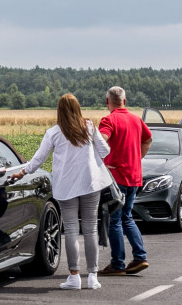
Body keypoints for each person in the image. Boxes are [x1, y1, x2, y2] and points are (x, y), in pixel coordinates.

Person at [10, 93, 112, 290]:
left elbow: (38, 160)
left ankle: (74, 277)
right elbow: (105, 150)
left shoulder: (54, 132)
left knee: (72, 229)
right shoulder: (89, 127)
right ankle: (92, 276)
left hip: (66, 185)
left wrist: (22, 172)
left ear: (59, 111)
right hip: (90, 183)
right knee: (90, 228)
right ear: (77, 108)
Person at [98, 86, 152, 275]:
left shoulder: (108, 120)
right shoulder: (136, 120)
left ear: (107, 102)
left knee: (115, 220)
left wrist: (102, 163)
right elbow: (147, 139)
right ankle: (140, 256)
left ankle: (118, 264)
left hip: (117, 177)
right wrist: (137, 158)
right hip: (134, 176)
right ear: (125, 101)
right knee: (127, 217)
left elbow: (101, 141)